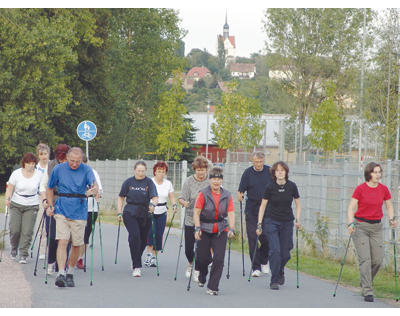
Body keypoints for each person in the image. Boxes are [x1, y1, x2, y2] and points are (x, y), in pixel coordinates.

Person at [46, 147, 98, 288]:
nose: (75, 164)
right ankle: (61, 273)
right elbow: (49, 188)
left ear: (81, 160)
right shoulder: (59, 169)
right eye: (72, 161)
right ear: (67, 158)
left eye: (78, 161)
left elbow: (94, 185)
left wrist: (94, 190)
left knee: (76, 244)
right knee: (63, 241)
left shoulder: (86, 170)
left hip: (79, 210)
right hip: (61, 208)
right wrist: (50, 205)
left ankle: (70, 271)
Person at [347, 162, 397, 302]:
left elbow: (389, 205)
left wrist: (392, 218)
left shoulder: (383, 189)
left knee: (378, 260)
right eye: (375, 172)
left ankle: (365, 281)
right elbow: (351, 207)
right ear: (369, 173)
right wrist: (350, 223)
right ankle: (368, 290)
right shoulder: (360, 189)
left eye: (379, 172)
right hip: (360, 227)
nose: (378, 175)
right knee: (365, 260)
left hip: (376, 228)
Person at [256, 161, 301, 290]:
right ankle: (274, 279)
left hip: (287, 222)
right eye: (277, 170)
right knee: (275, 251)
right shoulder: (270, 187)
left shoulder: (292, 186)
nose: (280, 172)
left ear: (286, 172)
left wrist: (297, 220)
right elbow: (263, 206)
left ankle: (280, 269)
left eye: (282, 170)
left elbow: (298, 204)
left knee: (285, 253)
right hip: (271, 221)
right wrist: (259, 223)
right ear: (274, 173)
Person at [193, 167, 235, 296]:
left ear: (221, 180)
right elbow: (196, 212)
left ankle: (213, 287)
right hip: (204, 228)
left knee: (218, 259)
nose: (216, 182)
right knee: (202, 258)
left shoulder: (227, 195)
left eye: (219, 179)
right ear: (209, 180)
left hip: (221, 229)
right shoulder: (203, 194)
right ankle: (202, 274)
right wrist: (197, 228)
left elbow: (231, 212)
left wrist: (232, 228)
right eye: (214, 179)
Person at [117, 161, 158, 277]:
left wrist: (153, 205)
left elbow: (155, 197)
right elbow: (121, 197)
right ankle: (137, 266)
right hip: (130, 212)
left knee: (143, 239)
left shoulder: (149, 182)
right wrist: (119, 212)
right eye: (138, 171)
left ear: (145, 171)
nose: (140, 173)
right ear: (134, 170)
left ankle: (136, 257)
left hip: (145, 212)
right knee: (135, 236)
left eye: (143, 171)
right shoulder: (128, 182)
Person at [237, 151, 272, 277]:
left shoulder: (269, 171)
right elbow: (241, 189)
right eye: (256, 162)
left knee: (267, 237)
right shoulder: (247, 173)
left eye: (260, 162)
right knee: (253, 238)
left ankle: (264, 260)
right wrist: (240, 195)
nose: (258, 164)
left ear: (263, 161)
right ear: (253, 161)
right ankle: (256, 267)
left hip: (267, 210)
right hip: (252, 209)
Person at [5, 152, 43, 264]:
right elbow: (10, 188)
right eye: (29, 163)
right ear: (24, 163)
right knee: (15, 229)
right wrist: (7, 199)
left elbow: (43, 188)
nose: (31, 165)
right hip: (16, 203)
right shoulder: (16, 174)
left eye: (33, 163)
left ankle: (23, 254)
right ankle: (14, 247)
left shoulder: (39, 174)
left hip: (32, 204)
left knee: (27, 231)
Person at [178, 155, 210, 281]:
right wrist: (183, 202)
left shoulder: (210, 181)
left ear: (206, 170)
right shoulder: (189, 181)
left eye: (203, 170)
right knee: (188, 249)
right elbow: (182, 197)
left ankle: (197, 269)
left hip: (205, 219)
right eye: (198, 170)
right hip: (190, 218)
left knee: (202, 248)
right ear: (194, 170)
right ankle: (190, 264)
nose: (201, 172)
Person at [40, 144, 70, 275]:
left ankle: (61, 266)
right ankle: (51, 260)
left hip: (68, 203)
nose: (63, 161)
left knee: (66, 238)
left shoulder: (74, 165)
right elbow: (44, 185)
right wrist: (45, 200)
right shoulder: (51, 165)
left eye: (65, 159)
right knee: (52, 235)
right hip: (53, 200)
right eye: (61, 159)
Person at [144, 161, 177, 268]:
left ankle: (154, 257)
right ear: (154, 172)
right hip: (151, 211)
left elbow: (171, 196)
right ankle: (148, 255)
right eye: (159, 171)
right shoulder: (150, 182)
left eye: (163, 171)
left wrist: (174, 205)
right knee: (150, 233)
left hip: (162, 211)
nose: (161, 173)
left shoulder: (168, 184)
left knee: (159, 234)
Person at [76, 155, 104, 270]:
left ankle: (80, 258)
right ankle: (70, 256)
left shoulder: (93, 173)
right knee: (74, 234)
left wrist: (97, 193)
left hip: (91, 208)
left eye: (83, 163)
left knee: (85, 235)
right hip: (75, 208)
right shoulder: (71, 173)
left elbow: (99, 190)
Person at [34, 143, 50, 260]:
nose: (44, 156)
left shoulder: (53, 166)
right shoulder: (36, 168)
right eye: (41, 154)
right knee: (42, 225)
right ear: (38, 155)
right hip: (40, 198)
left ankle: (52, 249)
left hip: (52, 197)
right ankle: (42, 249)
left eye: (45, 154)